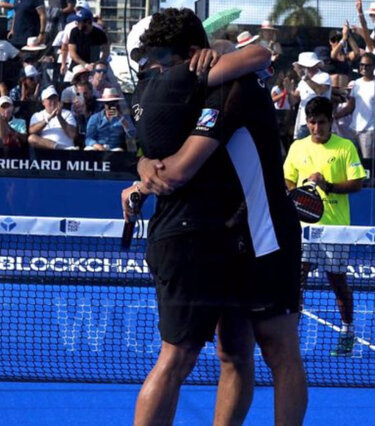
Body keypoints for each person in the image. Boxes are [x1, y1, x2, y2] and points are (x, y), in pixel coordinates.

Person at [119, 9, 306, 425]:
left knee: (276, 351)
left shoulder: (229, 87)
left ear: (188, 54)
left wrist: (147, 172)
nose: (156, 69)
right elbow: (158, 148)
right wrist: (144, 166)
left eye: (163, 60)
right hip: (222, 240)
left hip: (265, 234)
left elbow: (180, 169)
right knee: (229, 352)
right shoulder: (179, 92)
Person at [283, 96, 365, 356]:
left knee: (337, 282)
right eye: (311, 123)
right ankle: (290, 337)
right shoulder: (297, 147)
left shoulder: (345, 147)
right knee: (296, 281)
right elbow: (287, 179)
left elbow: (357, 183)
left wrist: (326, 185)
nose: (316, 128)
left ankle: (347, 332)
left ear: (331, 122)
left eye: (321, 122)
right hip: (303, 229)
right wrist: (299, 193)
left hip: (335, 229)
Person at [334, 52, 375, 160]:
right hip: (353, 129)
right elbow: (350, 107)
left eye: (367, 65)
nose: (364, 67)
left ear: (374, 67)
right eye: (362, 65)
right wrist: (335, 116)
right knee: (349, 159)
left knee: (368, 161)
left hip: (370, 131)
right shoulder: (356, 83)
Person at [289, 51, 331, 140]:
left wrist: (305, 77)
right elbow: (294, 100)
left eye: (303, 67)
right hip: (304, 122)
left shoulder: (324, 76)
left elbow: (320, 91)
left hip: (320, 122)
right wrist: (289, 90)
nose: (301, 69)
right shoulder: (302, 82)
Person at [28, 85, 77, 149]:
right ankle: (59, 147)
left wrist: (59, 117)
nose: (53, 101)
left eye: (54, 98)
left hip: (67, 150)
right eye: (49, 99)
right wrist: (49, 118)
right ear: (43, 102)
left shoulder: (67, 113)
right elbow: (31, 130)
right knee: (31, 138)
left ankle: (63, 148)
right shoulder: (37, 115)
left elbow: (72, 134)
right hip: (47, 151)